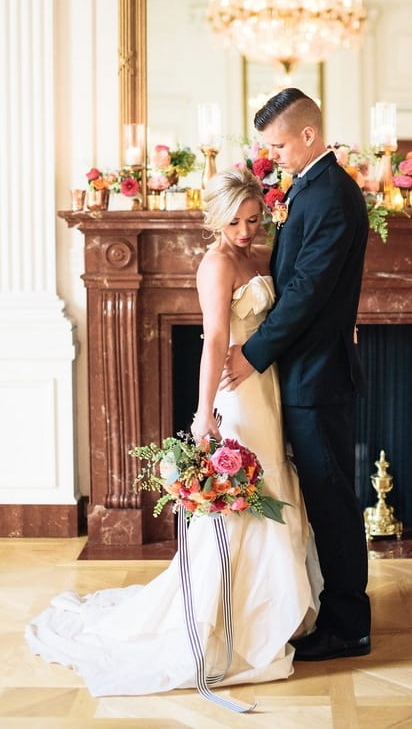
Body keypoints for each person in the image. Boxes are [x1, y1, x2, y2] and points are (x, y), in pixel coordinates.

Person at [25, 167, 321, 698]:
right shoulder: (216, 264)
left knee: (275, 488)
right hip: (237, 394)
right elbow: (213, 343)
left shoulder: (258, 255)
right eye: (235, 222)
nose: (246, 231)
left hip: (268, 384)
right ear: (216, 219)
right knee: (245, 501)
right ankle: (226, 622)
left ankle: (273, 612)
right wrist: (204, 411)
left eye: (254, 220)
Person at [221, 88, 371, 661]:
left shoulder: (331, 193)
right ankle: (326, 613)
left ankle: (348, 627)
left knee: (332, 502)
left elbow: (307, 292)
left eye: (278, 144)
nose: (273, 155)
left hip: (318, 378)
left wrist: (253, 353)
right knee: (322, 497)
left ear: (309, 135)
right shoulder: (311, 188)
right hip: (305, 373)